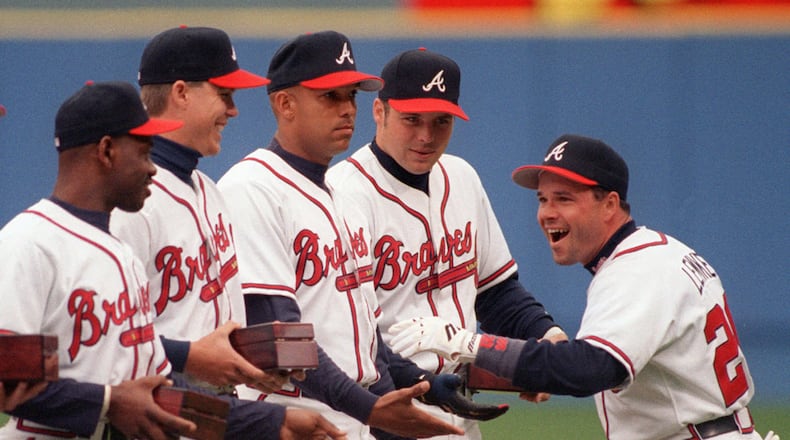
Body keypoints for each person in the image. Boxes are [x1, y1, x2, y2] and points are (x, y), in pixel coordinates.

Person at [0, 80, 346, 439]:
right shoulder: (29, 244)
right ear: (106, 151)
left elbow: (159, 398)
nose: (153, 169)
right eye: (144, 152)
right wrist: (109, 402)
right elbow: (7, 382)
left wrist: (273, 422)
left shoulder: (123, 258)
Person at [388, 134, 780, 440]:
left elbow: (589, 369)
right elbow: (583, 365)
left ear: (609, 204)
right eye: (543, 199)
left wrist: (467, 344)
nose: (547, 213)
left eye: (565, 198)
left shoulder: (636, 271)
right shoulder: (654, 253)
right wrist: (480, 369)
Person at [218, 31, 505, 440]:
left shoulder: (341, 198)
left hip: (349, 420)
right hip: (290, 418)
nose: (346, 110)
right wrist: (370, 406)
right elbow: (278, 337)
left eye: (350, 95)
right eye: (329, 96)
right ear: (285, 104)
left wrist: (420, 387)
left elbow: (367, 340)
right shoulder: (252, 188)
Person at [326, 48, 567, 439]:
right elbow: (347, 333)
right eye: (411, 120)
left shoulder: (462, 177)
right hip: (383, 411)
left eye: (441, 121)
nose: (426, 135)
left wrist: (545, 340)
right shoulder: (342, 193)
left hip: (459, 407)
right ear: (379, 112)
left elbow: (496, 292)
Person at [110, 25, 291, 395]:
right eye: (224, 94)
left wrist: (252, 363)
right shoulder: (127, 203)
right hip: (158, 413)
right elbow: (108, 339)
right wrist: (189, 356)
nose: (234, 110)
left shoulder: (209, 190)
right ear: (180, 93)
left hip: (219, 408)